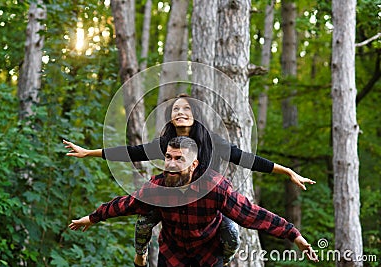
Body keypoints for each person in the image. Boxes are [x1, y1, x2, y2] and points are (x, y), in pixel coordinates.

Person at [63, 94, 316, 266]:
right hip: (171, 208)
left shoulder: (213, 147)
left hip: (207, 204)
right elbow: (130, 156)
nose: (181, 112)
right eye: (176, 109)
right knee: (142, 220)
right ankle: (140, 255)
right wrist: (89, 153)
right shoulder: (164, 148)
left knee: (230, 230)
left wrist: (287, 172)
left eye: (186, 109)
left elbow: (249, 167)